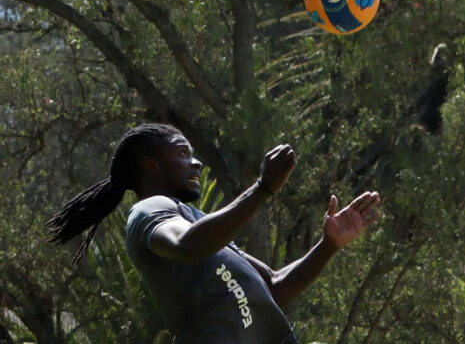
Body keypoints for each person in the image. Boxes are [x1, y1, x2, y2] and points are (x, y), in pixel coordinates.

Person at [47, 123, 381, 343]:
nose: (196, 163)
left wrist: (329, 244)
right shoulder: (150, 210)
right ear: (152, 167)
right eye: (183, 153)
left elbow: (274, 286)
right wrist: (263, 187)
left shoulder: (198, 221)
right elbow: (186, 244)